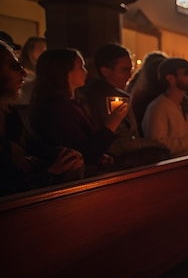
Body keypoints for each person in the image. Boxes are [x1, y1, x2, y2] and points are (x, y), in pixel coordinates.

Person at [0, 40, 83, 195]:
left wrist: (61, 155)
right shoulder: (55, 107)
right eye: (14, 67)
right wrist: (50, 172)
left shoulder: (9, 112)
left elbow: (31, 148)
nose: (23, 73)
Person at [29, 48, 127, 173]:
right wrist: (111, 125)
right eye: (80, 67)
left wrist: (100, 157)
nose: (85, 72)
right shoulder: (56, 110)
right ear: (64, 72)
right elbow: (82, 154)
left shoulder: (73, 103)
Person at [81, 43, 170, 168]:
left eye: (131, 70)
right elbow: (120, 139)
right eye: (124, 70)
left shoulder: (105, 94)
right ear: (105, 71)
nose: (129, 76)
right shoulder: (107, 98)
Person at [142, 57, 188, 157]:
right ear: (170, 78)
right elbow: (157, 146)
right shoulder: (158, 108)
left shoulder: (185, 106)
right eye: (186, 73)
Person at [17, 36, 46, 104]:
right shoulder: (24, 72)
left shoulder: (41, 70)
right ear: (30, 50)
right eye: (41, 48)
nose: (44, 51)